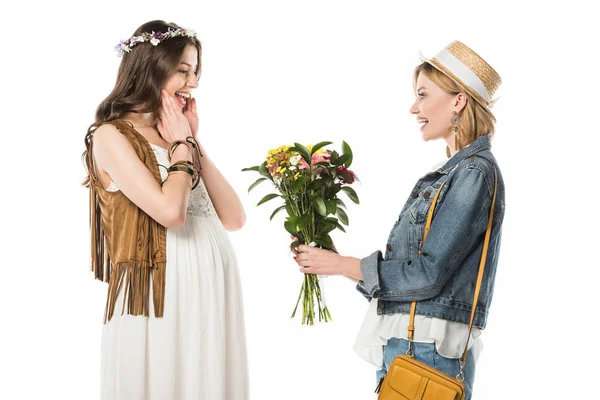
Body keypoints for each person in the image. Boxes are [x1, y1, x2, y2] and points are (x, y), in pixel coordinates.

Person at [292, 41, 505, 399]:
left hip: (427, 355)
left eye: (423, 95)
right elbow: (410, 289)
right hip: (414, 351)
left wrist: (344, 264)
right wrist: (336, 264)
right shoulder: (451, 174)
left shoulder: (473, 173)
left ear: (458, 101)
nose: (413, 108)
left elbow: (427, 276)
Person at [82, 20, 249, 400]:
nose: (192, 84)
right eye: (183, 71)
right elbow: (170, 213)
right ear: (152, 66)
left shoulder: (178, 137)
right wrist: (180, 147)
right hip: (160, 290)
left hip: (211, 287)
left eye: (195, 72)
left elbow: (235, 218)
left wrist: (191, 138)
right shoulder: (111, 135)